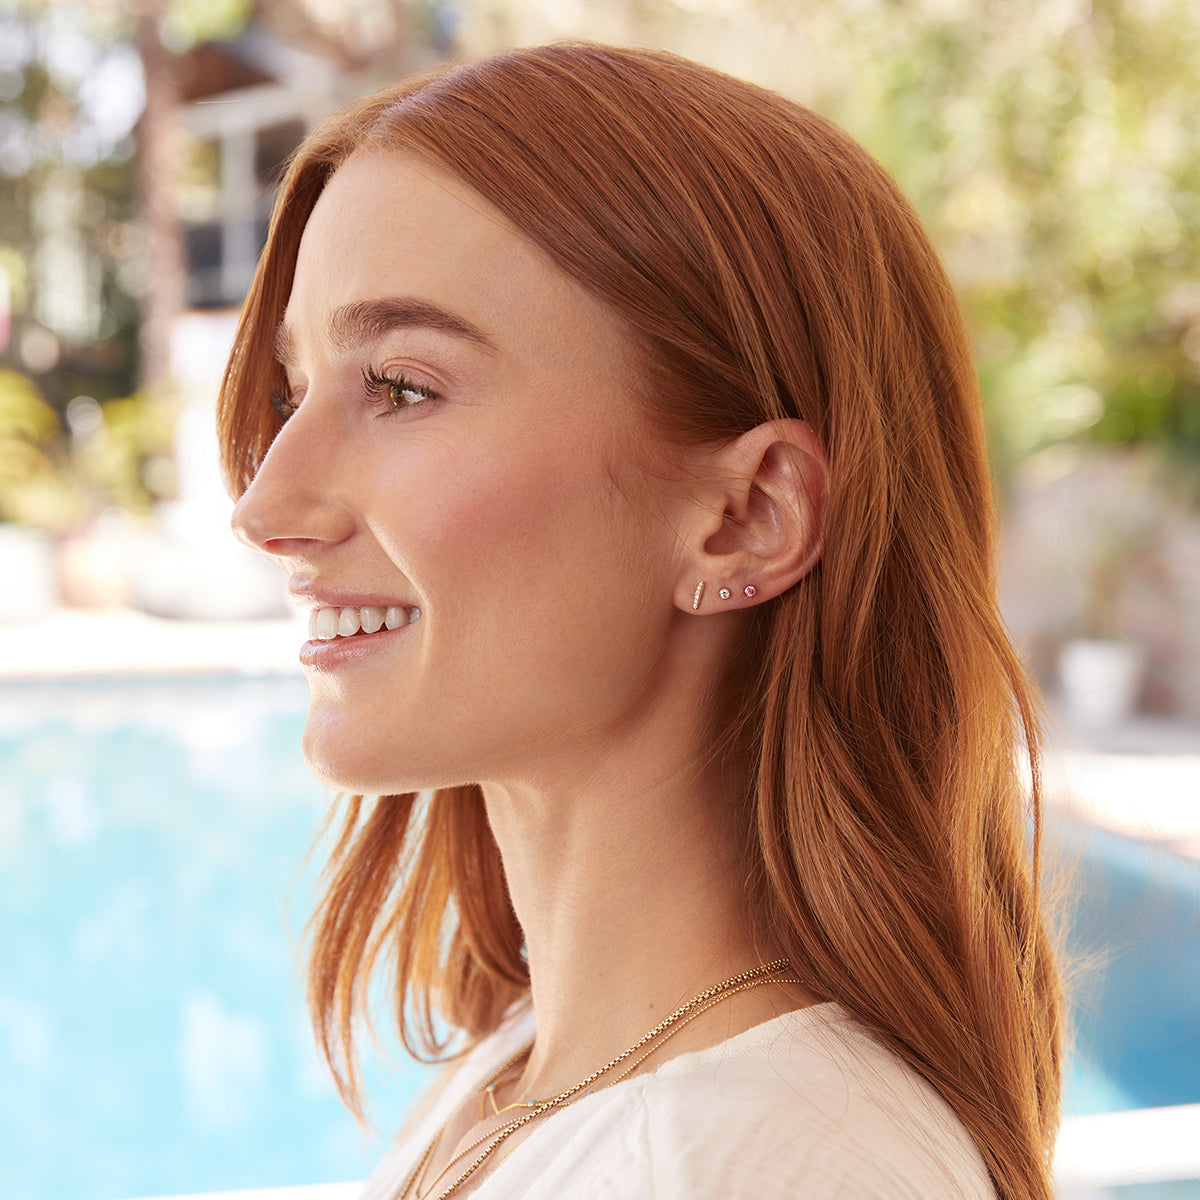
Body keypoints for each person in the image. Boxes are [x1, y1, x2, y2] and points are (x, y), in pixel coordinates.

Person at [222, 42, 1062, 1200]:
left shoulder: (757, 1165)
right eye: (291, 392)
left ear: (746, 516)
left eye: (403, 387)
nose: (265, 505)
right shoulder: (528, 1073)